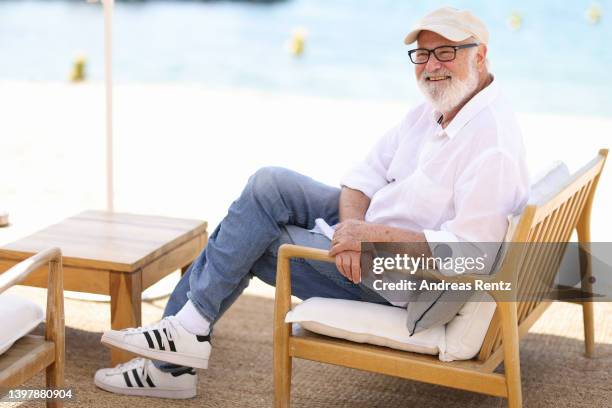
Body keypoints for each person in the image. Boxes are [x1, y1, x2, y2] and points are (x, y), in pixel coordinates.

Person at [94, 6, 529, 399]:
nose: (432, 66)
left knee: (253, 237)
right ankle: (185, 333)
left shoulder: (491, 145)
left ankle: (176, 354)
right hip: (369, 238)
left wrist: (368, 236)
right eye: (423, 54)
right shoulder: (436, 107)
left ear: (480, 54)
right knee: (268, 184)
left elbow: (471, 254)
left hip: (402, 281)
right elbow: (364, 176)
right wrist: (351, 230)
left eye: (446, 52)